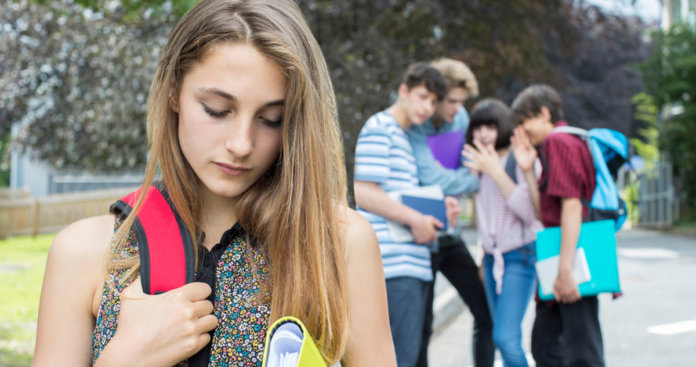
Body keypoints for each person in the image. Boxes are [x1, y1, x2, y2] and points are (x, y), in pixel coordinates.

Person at [32, 1, 396, 366]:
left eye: (272, 119)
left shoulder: (337, 242)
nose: (241, 144)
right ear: (173, 91)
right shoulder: (85, 252)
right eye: (217, 110)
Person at [353, 62, 458, 367]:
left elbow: (398, 197)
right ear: (404, 91)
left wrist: (438, 211)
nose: (428, 107)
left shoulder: (405, 137)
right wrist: (416, 219)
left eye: (434, 101)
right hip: (393, 268)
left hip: (413, 265)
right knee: (398, 359)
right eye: (423, 96)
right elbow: (364, 192)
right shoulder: (380, 128)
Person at [406, 58, 494, 367]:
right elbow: (434, 178)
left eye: (462, 102)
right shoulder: (415, 124)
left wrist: (467, 177)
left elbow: (461, 167)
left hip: (451, 236)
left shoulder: (461, 120)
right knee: (421, 326)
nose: (458, 109)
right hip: (421, 238)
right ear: (436, 95)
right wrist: (476, 178)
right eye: (452, 101)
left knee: (486, 311)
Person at [510, 84, 605, 367]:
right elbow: (545, 212)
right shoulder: (563, 143)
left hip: (569, 261)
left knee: (577, 353)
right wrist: (528, 170)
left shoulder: (558, 143)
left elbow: (572, 206)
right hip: (564, 257)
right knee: (550, 345)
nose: (522, 132)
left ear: (544, 113)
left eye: (524, 122)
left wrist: (565, 272)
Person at [462, 99, 543, 367]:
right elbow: (485, 220)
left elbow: (530, 213)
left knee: (505, 338)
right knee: (504, 338)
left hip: (519, 255)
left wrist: (496, 172)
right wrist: (482, 256)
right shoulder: (479, 167)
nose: (483, 133)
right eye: (478, 127)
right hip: (491, 258)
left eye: (491, 126)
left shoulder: (519, 159)